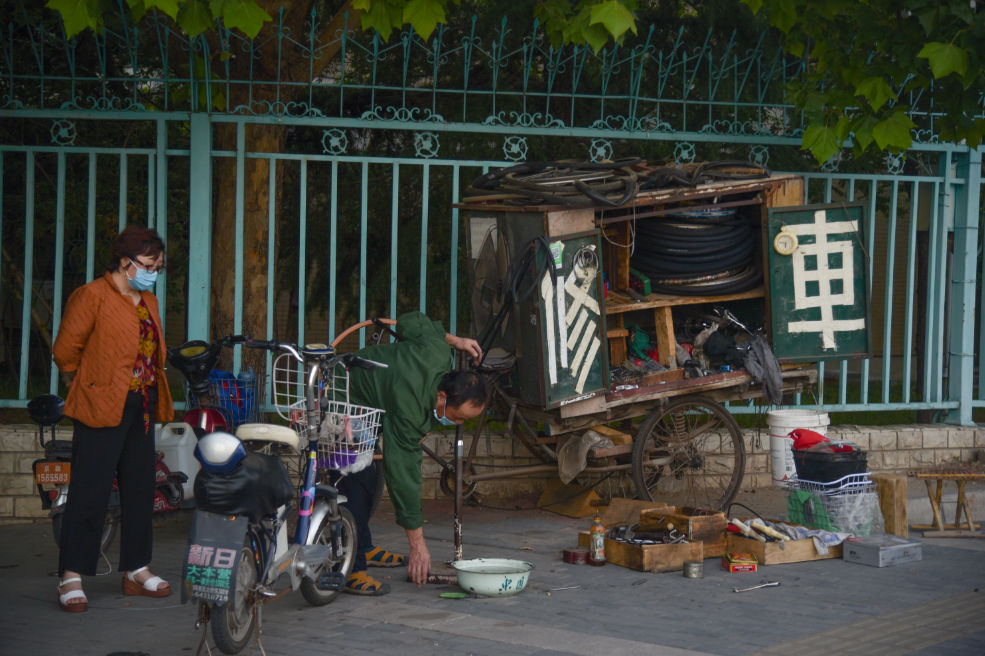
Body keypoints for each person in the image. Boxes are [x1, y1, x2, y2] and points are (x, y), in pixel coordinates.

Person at [50, 227, 174, 612]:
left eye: (158, 267)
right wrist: (91, 383)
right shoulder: (92, 296)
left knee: (140, 489)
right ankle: (71, 575)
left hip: (142, 404)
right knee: (90, 490)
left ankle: (136, 569)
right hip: (102, 404)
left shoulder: (148, 299)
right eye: (149, 266)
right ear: (125, 261)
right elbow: (65, 352)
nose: (154, 273)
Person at [336, 312, 486, 595]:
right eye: (456, 416)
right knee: (358, 479)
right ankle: (349, 568)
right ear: (441, 397)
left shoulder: (438, 350)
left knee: (371, 475)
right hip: (341, 395)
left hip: (367, 397)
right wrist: (417, 545)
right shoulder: (411, 411)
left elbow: (412, 321)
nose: (457, 423)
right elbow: (403, 473)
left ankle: (363, 545)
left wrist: (454, 340)